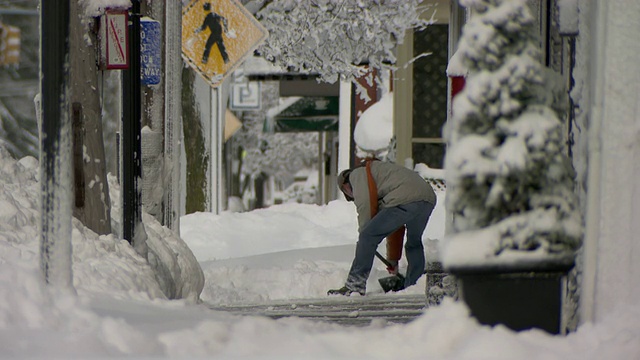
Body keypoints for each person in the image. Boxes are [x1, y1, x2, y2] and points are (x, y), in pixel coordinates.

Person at [328, 159, 436, 296]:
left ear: (345, 186)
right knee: (414, 242)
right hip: (427, 198)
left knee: (368, 236)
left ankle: (355, 285)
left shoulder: (356, 175)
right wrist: (393, 259)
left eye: (349, 195)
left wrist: (364, 237)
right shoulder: (382, 178)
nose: (352, 197)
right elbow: (395, 226)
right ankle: (414, 284)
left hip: (405, 197)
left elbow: (365, 207)